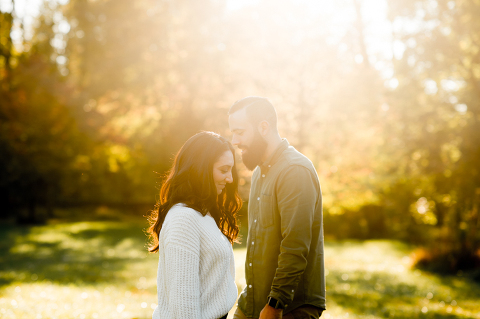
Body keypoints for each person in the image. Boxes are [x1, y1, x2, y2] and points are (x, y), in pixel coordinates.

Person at [228, 97, 326, 319]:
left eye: (240, 132)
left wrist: (275, 303)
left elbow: (295, 244)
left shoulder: (294, 170)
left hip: (288, 308)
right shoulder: (259, 173)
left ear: (263, 127)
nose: (235, 140)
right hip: (252, 302)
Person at [147, 131, 242, 319]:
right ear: (200, 169)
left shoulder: (203, 215)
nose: (230, 179)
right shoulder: (183, 218)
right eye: (223, 170)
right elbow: (184, 305)